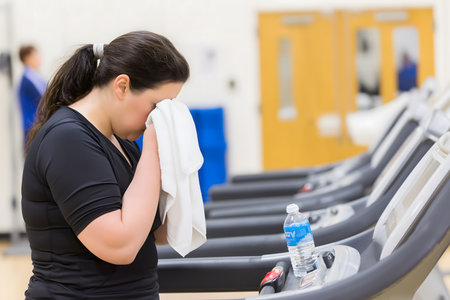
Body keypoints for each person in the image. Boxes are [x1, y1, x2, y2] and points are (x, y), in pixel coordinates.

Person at [21, 31, 189, 299]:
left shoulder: (122, 141)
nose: (158, 119)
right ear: (121, 86)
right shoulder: (67, 139)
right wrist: (155, 148)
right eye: (156, 106)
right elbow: (120, 247)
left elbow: (162, 232)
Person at [18, 45, 47, 140]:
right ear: (27, 58)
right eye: (35, 55)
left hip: (37, 124)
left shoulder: (36, 76)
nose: (39, 58)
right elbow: (44, 98)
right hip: (33, 125)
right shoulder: (28, 79)